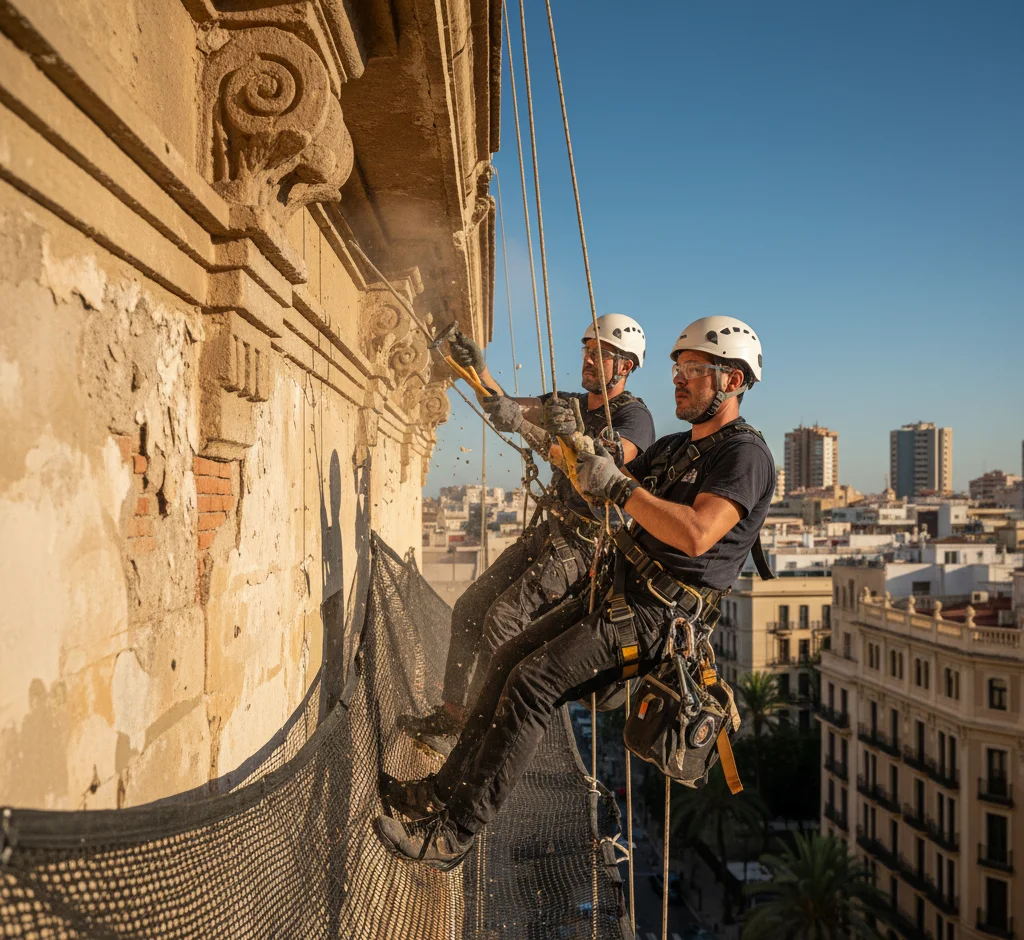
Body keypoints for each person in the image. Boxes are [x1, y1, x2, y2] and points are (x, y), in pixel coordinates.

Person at [376, 316, 775, 870]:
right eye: (678, 369)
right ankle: (439, 795)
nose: (679, 379)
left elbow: (695, 531)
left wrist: (619, 485)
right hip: (620, 593)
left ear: (731, 381)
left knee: (533, 683)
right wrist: (563, 439)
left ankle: (453, 837)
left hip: (655, 618)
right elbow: (589, 474)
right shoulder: (677, 448)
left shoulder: (744, 456)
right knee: (508, 659)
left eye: (693, 370)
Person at [398, 314, 655, 758]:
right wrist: (477, 368)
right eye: (587, 351)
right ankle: (454, 715)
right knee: (470, 608)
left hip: (582, 547)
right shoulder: (569, 403)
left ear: (626, 367)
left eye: (601, 355)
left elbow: (596, 470)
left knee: (503, 622)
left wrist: (528, 426)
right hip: (550, 532)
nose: (589, 360)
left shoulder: (634, 419)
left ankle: (485, 738)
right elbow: (506, 404)